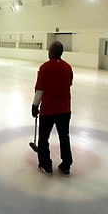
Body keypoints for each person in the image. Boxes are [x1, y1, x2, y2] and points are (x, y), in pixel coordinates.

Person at [31, 41, 73, 176]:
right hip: (65, 109)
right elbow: (69, 83)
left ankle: (46, 165)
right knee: (64, 137)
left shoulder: (45, 68)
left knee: (43, 139)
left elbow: (40, 90)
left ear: (51, 52)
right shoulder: (68, 67)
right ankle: (66, 165)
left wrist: (34, 105)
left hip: (48, 110)